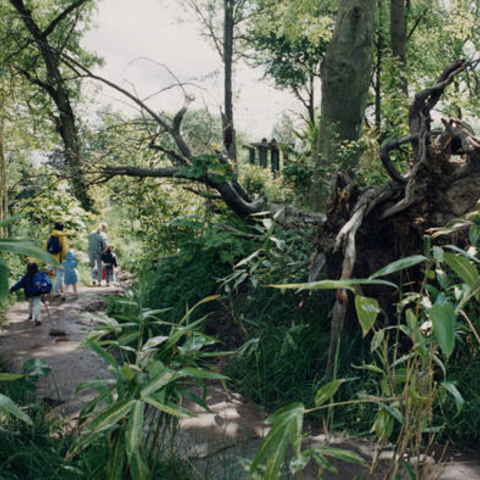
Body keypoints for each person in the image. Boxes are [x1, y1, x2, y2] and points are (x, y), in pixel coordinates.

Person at [44, 222, 69, 296]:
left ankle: (61, 289)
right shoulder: (62, 236)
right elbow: (64, 249)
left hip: (51, 258)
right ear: (62, 228)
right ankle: (56, 291)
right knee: (60, 274)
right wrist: (65, 258)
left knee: (57, 274)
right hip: (59, 258)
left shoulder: (50, 235)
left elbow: (45, 247)